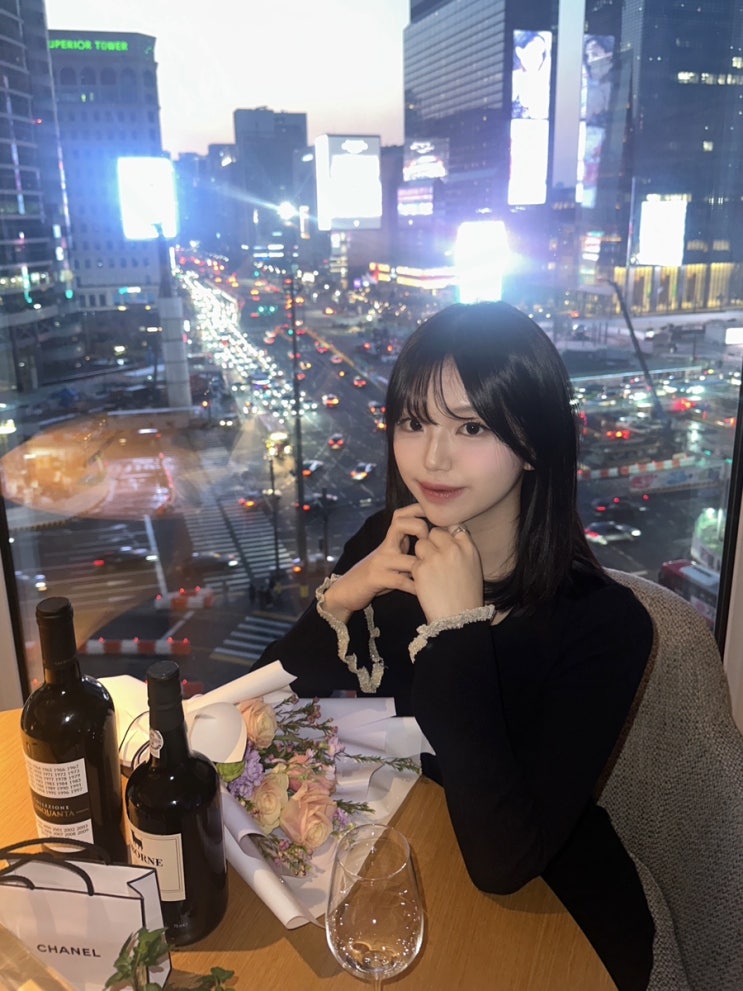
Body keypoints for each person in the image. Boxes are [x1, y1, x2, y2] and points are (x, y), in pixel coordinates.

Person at [256, 301, 654, 990]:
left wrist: (456, 633)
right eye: (414, 422)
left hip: (548, 909)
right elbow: (261, 712)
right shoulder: (390, 542)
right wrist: (344, 598)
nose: (432, 457)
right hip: (399, 848)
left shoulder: (604, 625)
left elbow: (503, 862)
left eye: (472, 427)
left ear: (533, 443)